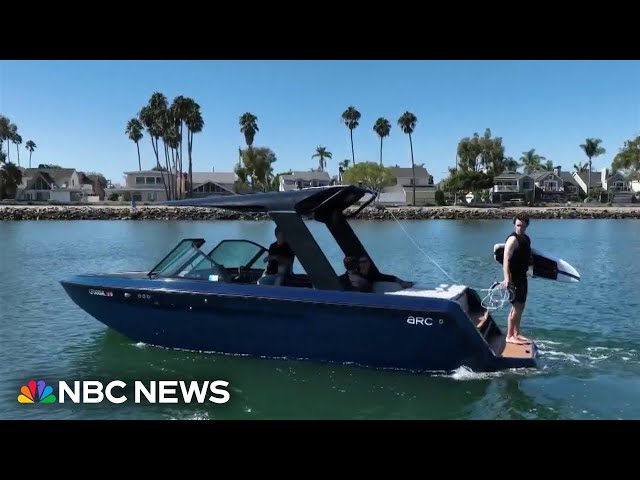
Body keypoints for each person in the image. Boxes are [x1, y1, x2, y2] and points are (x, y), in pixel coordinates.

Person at [499, 214, 533, 345]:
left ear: (526, 226)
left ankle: (516, 333)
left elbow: (527, 256)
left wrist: (530, 271)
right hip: (514, 278)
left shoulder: (526, 238)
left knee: (521, 306)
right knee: (516, 306)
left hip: (522, 276)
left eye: (523, 226)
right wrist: (507, 279)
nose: (520, 228)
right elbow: (506, 260)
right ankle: (509, 335)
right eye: (518, 225)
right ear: (514, 225)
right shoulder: (512, 239)